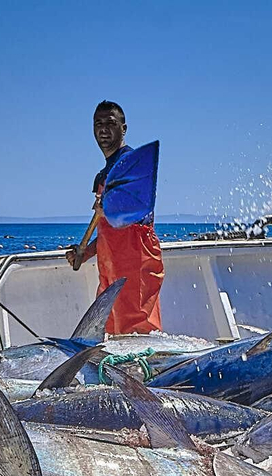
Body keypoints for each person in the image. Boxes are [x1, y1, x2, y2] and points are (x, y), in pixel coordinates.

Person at [65, 100, 164, 334]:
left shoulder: (130, 167)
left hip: (135, 261)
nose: (103, 129)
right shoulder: (105, 174)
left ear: (124, 128)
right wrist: (84, 253)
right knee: (110, 330)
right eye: (98, 124)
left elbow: (140, 217)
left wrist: (110, 206)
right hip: (110, 266)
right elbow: (108, 231)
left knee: (137, 329)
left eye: (110, 123)